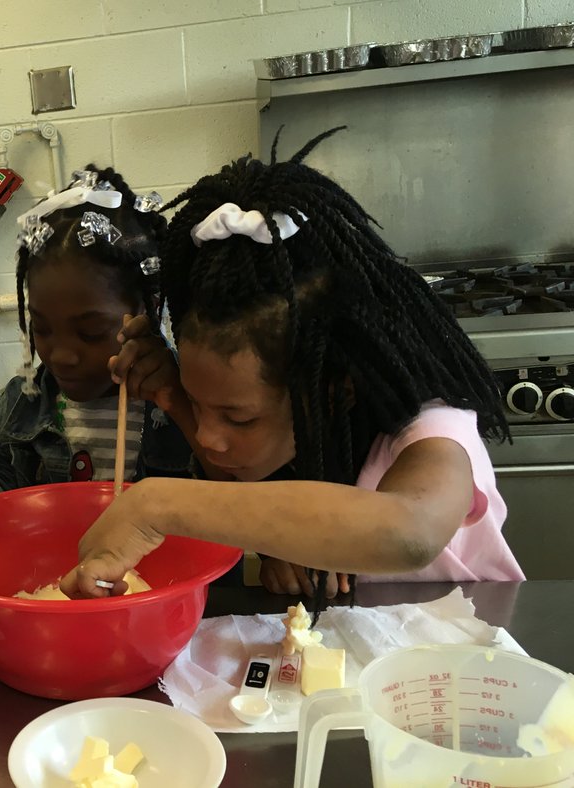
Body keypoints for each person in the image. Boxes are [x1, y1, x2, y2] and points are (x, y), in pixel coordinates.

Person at [61, 128, 524, 609]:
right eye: (201, 407)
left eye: (238, 417)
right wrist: (176, 400)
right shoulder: (293, 427)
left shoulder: (432, 427)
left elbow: (411, 531)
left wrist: (152, 507)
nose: (209, 437)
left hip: (467, 653)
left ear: (333, 389)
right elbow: (254, 496)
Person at [0, 166, 193, 495]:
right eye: (41, 327)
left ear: (149, 308)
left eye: (89, 332)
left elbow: (237, 505)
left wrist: (183, 409)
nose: (61, 355)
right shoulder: (18, 410)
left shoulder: (190, 398)